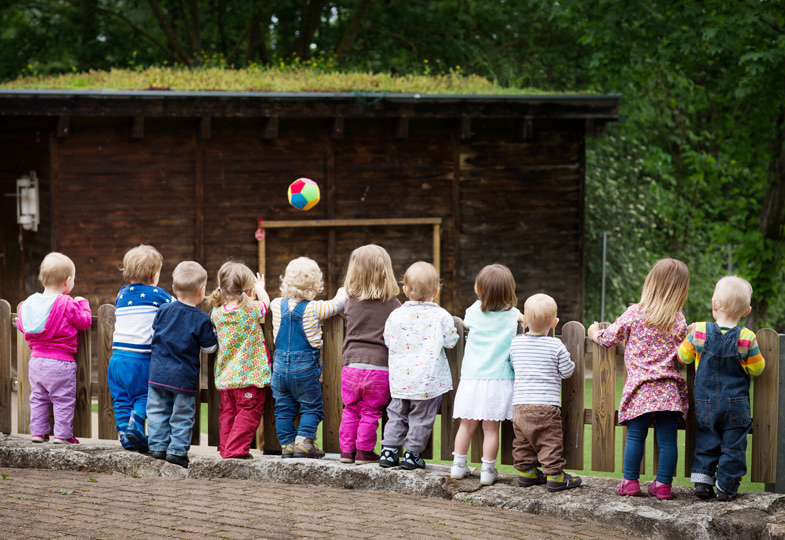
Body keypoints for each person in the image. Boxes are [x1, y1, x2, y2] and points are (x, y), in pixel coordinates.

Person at [588, 258, 691, 501]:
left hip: (640, 389)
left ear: (651, 283)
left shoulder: (635, 313)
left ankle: (630, 482)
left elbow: (609, 338)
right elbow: (683, 354)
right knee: (668, 441)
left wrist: (593, 333)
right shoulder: (678, 320)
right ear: (681, 291)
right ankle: (663, 486)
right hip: (668, 390)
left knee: (636, 436)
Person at [678, 276, 765, 501]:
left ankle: (703, 483)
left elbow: (682, 356)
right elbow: (757, 369)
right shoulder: (747, 337)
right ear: (746, 311)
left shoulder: (698, 331)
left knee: (707, 439)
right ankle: (726, 487)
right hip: (736, 405)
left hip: (705, 403)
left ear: (714, 304)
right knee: (733, 445)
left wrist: (688, 338)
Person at [379, 261, 457, 470]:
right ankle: (412, 454)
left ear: (405, 289)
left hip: (400, 380)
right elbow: (450, 342)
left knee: (396, 414)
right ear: (436, 291)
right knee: (421, 417)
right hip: (427, 380)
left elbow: (388, 340)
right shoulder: (441, 316)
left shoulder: (396, 315)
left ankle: (389, 451)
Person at [450, 264, 522, 486]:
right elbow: (523, 319)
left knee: (466, 425)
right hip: (499, 379)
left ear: (479, 290)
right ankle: (488, 471)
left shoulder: (472, 313)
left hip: (472, 379)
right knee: (491, 430)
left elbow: (469, 319)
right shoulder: (512, 316)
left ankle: (458, 466)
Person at [270, 257, 347, 458]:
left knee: (283, 409)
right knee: (312, 406)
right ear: (315, 286)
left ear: (286, 282)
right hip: (304, 370)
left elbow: (267, 302)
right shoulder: (314, 309)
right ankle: (304, 442)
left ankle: (287, 445)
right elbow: (338, 304)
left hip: (278, 370)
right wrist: (343, 290)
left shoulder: (277, 305)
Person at [146, 261, 218, 468]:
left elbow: (153, 334)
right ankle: (177, 451)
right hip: (183, 378)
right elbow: (209, 348)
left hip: (158, 374)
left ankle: (158, 446)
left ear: (174, 288)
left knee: (157, 411)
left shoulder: (163, 310)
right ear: (202, 290)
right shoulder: (201, 319)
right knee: (182, 415)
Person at [16, 252, 92, 444]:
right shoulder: (67, 303)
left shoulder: (30, 303)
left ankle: (38, 433)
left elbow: (21, 325)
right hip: (61, 363)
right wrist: (83, 303)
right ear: (67, 281)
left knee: (39, 399)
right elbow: (84, 322)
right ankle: (62, 435)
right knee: (63, 400)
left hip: (36, 363)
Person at [338, 245, 402, 465]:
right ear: (385, 271)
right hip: (379, 368)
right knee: (370, 411)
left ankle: (347, 452)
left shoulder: (349, 301)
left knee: (350, 410)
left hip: (351, 366)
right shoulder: (393, 304)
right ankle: (364, 452)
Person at [510, 293, 580, 491]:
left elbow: (513, 365)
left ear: (524, 320)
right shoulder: (555, 345)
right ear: (555, 323)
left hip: (520, 405)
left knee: (522, 441)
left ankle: (526, 473)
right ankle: (556, 476)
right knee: (549, 441)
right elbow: (567, 372)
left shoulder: (516, 343)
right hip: (545, 406)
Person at [107, 245, 172, 453]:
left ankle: (124, 436)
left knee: (121, 399)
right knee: (144, 395)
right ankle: (136, 425)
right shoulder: (161, 296)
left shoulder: (121, 294)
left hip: (116, 360)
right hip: (140, 359)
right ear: (155, 275)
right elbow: (177, 311)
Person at [209, 261, 271, 460]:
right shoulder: (251, 310)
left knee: (228, 413)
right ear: (248, 288)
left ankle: (226, 448)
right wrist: (261, 289)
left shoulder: (217, 314)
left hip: (227, 379)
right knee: (248, 413)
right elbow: (266, 304)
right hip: (249, 377)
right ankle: (235, 451)